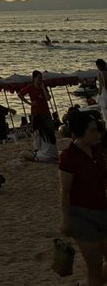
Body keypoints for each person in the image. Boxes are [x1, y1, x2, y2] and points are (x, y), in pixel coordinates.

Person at [58, 109, 107, 286]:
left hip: (103, 210)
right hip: (82, 216)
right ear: (80, 132)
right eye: (92, 130)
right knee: (94, 266)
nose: (97, 133)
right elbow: (65, 191)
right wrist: (65, 220)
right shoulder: (69, 157)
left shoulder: (98, 151)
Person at [17, 70, 57, 152]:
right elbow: (20, 94)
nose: (40, 79)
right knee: (37, 132)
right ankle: (37, 148)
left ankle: (50, 146)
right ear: (34, 78)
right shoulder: (30, 87)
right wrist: (29, 103)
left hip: (45, 112)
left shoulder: (43, 86)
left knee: (50, 129)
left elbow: (48, 98)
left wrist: (43, 87)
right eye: (39, 77)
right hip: (36, 113)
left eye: (41, 78)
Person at [96, 58, 107, 123]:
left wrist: (98, 96)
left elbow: (100, 87)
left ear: (99, 66)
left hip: (104, 94)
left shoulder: (100, 73)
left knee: (104, 112)